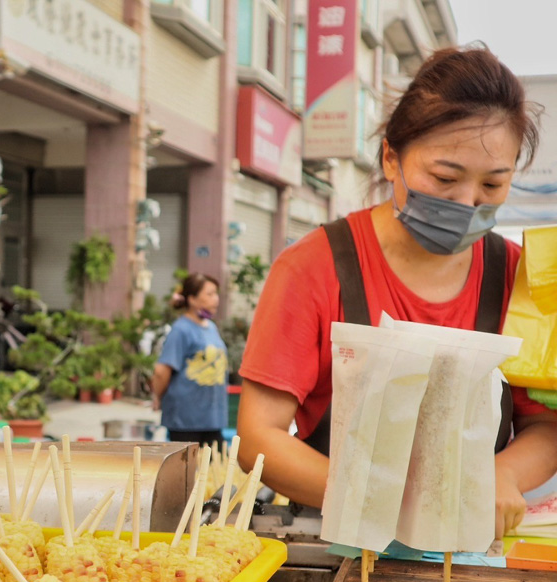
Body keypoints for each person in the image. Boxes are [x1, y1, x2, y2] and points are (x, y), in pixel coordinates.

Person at [237, 46, 557, 540]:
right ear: (391, 158)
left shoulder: (521, 277)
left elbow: (543, 427)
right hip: (342, 543)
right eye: (445, 177)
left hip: (471, 547)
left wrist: (505, 475)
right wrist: (380, 500)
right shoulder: (312, 267)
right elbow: (259, 438)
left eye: (493, 184)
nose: (467, 203)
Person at [151, 273, 228, 446]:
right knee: (189, 471)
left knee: (219, 468)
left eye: (216, 293)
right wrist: (158, 396)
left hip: (212, 418)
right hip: (186, 420)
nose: (216, 299)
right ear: (192, 299)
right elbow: (161, 371)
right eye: (209, 294)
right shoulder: (181, 330)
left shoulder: (212, 328)